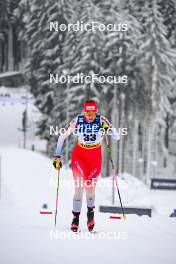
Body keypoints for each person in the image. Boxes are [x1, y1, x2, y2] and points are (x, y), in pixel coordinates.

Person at [53, 100, 120, 232]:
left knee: (90, 188)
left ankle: (90, 216)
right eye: (87, 113)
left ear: (96, 112)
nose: (90, 116)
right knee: (79, 188)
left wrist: (109, 129)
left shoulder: (101, 120)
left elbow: (117, 137)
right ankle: (75, 219)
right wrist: (57, 155)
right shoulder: (77, 120)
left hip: (95, 159)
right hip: (80, 156)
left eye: (92, 113)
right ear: (84, 112)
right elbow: (62, 136)